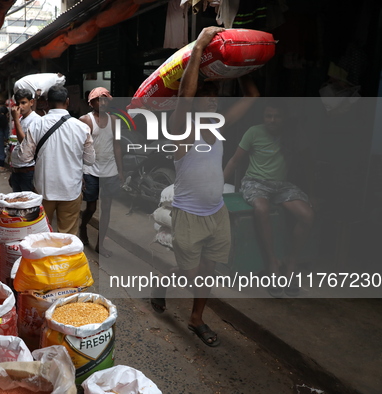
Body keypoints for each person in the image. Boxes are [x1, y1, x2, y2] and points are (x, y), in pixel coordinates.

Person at [150, 26, 260, 347]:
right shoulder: (181, 129)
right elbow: (184, 96)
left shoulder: (219, 126)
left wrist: (243, 65)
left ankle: (196, 318)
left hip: (217, 212)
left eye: (214, 96)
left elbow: (252, 96)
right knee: (190, 271)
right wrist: (199, 47)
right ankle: (161, 284)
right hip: (188, 214)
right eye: (205, 96)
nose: (211, 101)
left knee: (208, 270)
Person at [223, 101, 314, 297]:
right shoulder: (253, 132)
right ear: (263, 117)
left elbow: (308, 163)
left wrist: (313, 191)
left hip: (281, 185)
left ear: (284, 118)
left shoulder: (291, 135)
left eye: (277, 116)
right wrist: (217, 187)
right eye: (268, 116)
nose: (272, 120)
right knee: (261, 208)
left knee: (307, 215)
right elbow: (234, 160)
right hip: (255, 182)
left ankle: (290, 263)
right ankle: (273, 263)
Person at [17, 86, 95, 234]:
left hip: (43, 189)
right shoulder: (81, 127)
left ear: (47, 103)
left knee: (41, 234)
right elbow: (90, 160)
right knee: (67, 236)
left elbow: (24, 157)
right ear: (67, 102)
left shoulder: (37, 124)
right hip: (71, 189)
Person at [78, 87, 124, 258]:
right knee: (91, 207)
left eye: (105, 99)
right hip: (90, 170)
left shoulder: (115, 121)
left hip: (110, 170)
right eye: (99, 99)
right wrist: (80, 173)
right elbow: (79, 148)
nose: (102, 103)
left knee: (107, 208)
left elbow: (117, 146)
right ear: (92, 102)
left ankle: (100, 244)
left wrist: (120, 170)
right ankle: (83, 227)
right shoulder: (85, 121)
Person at [10, 89, 41, 192]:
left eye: (23, 103)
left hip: (27, 170)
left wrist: (15, 119)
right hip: (17, 168)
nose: (20, 107)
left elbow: (25, 143)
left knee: (27, 202)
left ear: (31, 102)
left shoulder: (35, 120)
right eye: (18, 103)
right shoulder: (21, 119)